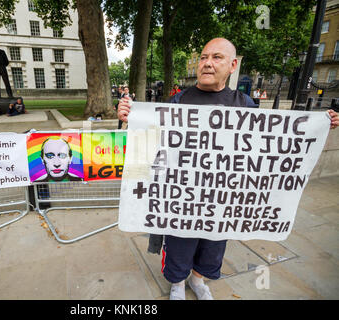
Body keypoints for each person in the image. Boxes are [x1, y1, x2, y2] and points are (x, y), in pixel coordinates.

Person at [117, 37, 339, 301]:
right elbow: (148, 144)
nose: (207, 63)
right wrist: (130, 118)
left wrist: (320, 125)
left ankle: (198, 281)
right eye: (203, 57)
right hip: (181, 198)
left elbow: (267, 147)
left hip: (223, 200)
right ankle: (177, 284)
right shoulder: (176, 102)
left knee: (212, 247)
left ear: (233, 65)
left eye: (216, 57)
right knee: (179, 246)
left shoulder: (245, 104)